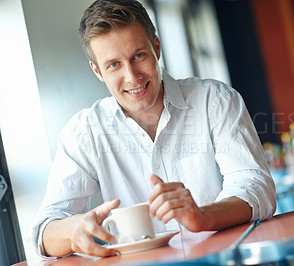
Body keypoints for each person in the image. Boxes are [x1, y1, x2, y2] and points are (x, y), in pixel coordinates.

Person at [30, 0, 276, 259]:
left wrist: (202, 216)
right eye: (113, 64)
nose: (132, 76)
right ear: (97, 71)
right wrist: (73, 230)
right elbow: (43, 233)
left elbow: (256, 186)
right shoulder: (84, 133)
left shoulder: (214, 100)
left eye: (138, 55)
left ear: (156, 48)